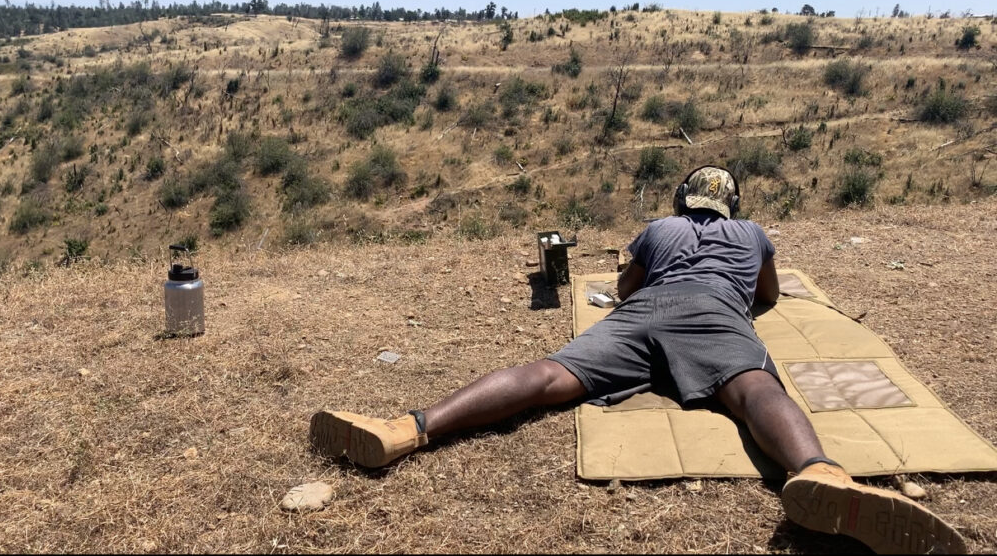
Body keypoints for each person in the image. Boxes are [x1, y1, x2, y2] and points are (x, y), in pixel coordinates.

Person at [310, 166, 966, 554]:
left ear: (684, 202)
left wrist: (642, 283)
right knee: (751, 387)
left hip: (643, 314)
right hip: (713, 313)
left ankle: (407, 426)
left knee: (546, 375)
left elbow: (624, 290)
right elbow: (765, 294)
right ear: (730, 205)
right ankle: (823, 474)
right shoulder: (752, 234)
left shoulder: (659, 228)